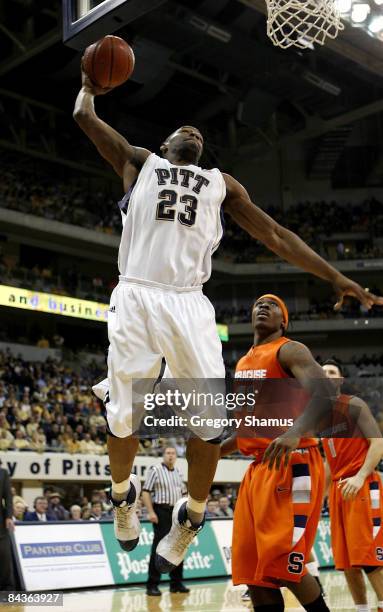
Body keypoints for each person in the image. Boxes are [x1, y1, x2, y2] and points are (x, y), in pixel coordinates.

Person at [73, 65, 383, 573]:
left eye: (200, 132)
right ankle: (122, 497)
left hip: (190, 303)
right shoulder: (139, 163)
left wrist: (334, 277)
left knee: (210, 424)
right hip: (135, 295)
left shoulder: (222, 185)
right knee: (124, 414)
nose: (194, 131)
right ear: (166, 142)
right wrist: (90, 80)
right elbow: (84, 116)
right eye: (183, 130)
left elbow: (277, 236)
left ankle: (191, 520)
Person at [220, 294, 332, 611]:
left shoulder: (289, 350)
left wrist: (295, 432)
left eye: (272, 305)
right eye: (258, 303)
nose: (263, 306)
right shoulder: (243, 363)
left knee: (284, 560)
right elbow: (247, 428)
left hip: (294, 462)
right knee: (254, 571)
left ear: (283, 320)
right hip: (258, 469)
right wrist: (215, 451)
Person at [322, 360, 383, 612]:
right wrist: (323, 494)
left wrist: (359, 477)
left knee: (370, 559)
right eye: (321, 372)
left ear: (340, 379)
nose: (325, 375)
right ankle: (362, 609)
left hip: (362, 486)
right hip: (339, 491)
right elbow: (329, 461)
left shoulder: (354, 404)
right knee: (347, 562)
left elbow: (378, 443)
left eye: (331, 372)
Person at [142, 447, 189, 596]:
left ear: (176, 456)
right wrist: (150, 511)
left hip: (176, 512)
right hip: (161, 511)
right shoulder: (155, 470)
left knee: (178, 547)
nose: (170, 455)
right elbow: (145, 491)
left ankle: (176, 583)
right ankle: (152, 585)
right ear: (163, 455)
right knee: (159, 548)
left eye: (173, 453)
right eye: (168, 453)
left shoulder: (179, 472)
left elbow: (184, 493)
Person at [0, 467, 16, 590]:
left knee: (4, 554)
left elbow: (8, 497)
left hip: (1, 521)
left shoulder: (3, 473)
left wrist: (9, 516)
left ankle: (7, 587)